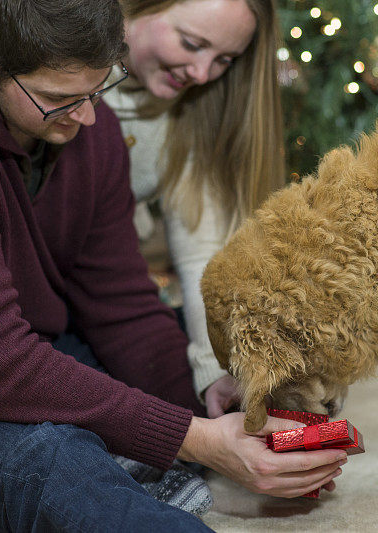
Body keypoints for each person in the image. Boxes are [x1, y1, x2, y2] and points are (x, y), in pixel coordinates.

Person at [0, 1, 346, 531]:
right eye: (58, 99)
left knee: (186, 359)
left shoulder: (91, 125)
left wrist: (210, 400)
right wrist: (199, 441)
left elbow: (122, 309)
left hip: (19, 341)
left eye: (97, 91)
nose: (87, 117)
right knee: (52, 461)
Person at [104, 0, 287, 418]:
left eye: (224, 59)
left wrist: (215, 370)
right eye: (190, 43)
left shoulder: (192, 112)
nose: (202, 75)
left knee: (182, 400)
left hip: (107, 289)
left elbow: (201, 251)